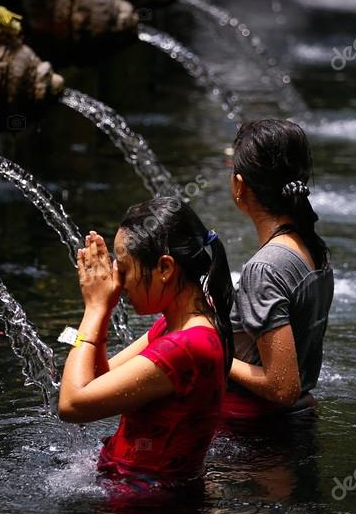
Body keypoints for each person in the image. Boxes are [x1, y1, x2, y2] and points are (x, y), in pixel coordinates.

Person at [57, 198, 234, 488]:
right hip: (136, 494)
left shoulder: (186, 347)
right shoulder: (178, 325)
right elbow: (100, 379)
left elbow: (72, 404)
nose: (119, 281)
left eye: (125, 269)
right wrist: (103, 311)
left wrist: (94, 308)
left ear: (165, 268)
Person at [224, 119, 334, 426]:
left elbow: (282, 386)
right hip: (294, 422)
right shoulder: (312, 247)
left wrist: (214, 356)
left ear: (240, 186)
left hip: (257, 432)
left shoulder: (265, 268)